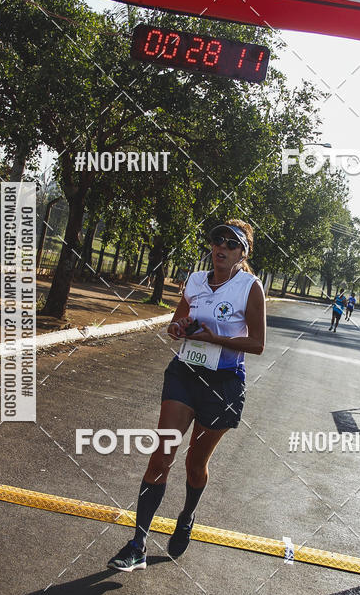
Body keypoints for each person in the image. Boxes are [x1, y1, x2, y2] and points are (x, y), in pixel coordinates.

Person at [107, 220, 266, 572]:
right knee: (160, 457)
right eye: (217, 240)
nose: (221, 247)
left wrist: (213, 338)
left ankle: (187, 515)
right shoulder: (195, 281)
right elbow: (177, 322)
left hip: (223, 384)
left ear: (242, 253)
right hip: (185, 374)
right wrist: (178, 327)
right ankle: (137, 545)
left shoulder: (250, 287)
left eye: (231, 243)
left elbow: (257, 343)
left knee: (195, 465)